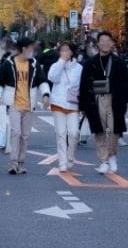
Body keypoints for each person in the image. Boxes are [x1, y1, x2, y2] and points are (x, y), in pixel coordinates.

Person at [77, 30, 128, 175]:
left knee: (114, 130)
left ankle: (112, 155)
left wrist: (124, 100)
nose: (105, 43)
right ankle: (103, 160)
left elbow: (126, 84)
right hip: (96, 100)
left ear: (112, 44)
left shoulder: (119, 63)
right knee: (99, 130)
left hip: (114, 99)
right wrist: (84, 104)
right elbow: (84, 85)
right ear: (98, 44)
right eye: (102, 41)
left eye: (108, 41)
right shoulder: (90, 63)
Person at [0, 36, 40, 174]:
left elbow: (41, 80)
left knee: (25, 136)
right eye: (31, 48)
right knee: (15, 132)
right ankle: (13, 163)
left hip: (29, 104)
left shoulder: (34, 64)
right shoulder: (9, 64)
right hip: (13, 104)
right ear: (24, 49)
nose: (33, 51)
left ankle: (21, 162)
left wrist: (45, 94)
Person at [45, 40, 82, 176]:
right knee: (61, 134)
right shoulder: (56, 65)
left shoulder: (79, 68)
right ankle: (62, 162)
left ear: (72, 52)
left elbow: (81, 86)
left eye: (67, 50)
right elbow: (52, 78)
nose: (65, 52)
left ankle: (70, 157)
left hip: (73, 104)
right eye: (62, 50)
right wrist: (61, 62)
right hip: (58, 103)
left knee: (74, 133)